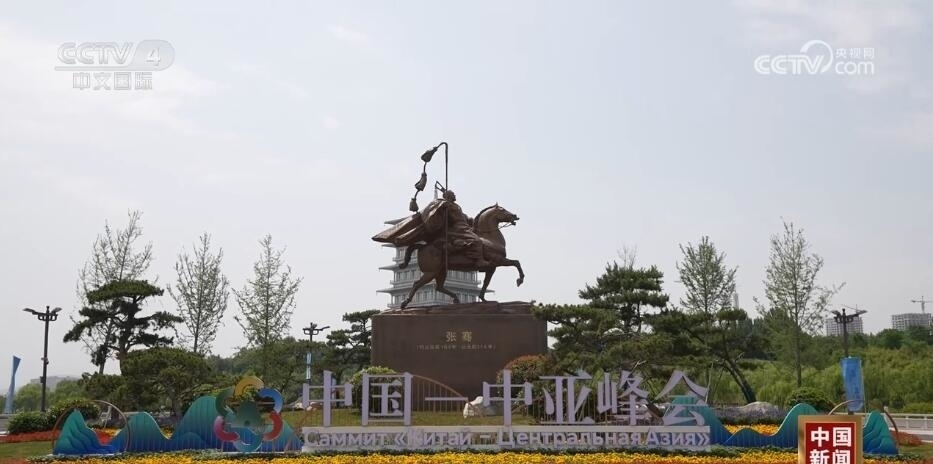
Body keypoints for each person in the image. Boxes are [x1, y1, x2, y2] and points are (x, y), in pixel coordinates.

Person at [438, 190, 490, 268]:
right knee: (478, 241)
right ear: (449, 196)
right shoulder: (447, 205)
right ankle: (479, 261)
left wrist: (469, 219)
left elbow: (461, 216)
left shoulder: (455, 205)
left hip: (464, 226)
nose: (455, 195)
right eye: (453, 194)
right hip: (459, 228)